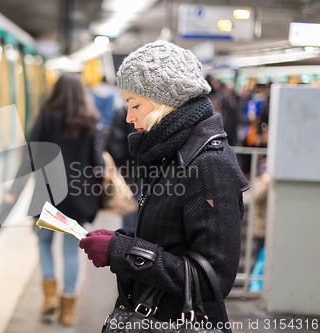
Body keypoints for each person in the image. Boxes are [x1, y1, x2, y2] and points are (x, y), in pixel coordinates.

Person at [79, 41, 249, 330]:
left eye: (135, 104)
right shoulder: (173, 151)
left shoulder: (208, 164)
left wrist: (121, 252)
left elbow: (213, 277)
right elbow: (174, 238)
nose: (129, 117)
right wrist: (122, 240)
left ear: (164, 101)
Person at [30, 72, 103, 326]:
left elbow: (34, 152)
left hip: (49, 193)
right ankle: (68, 309)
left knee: (44, 242)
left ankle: (49, 297)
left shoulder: (47, 115)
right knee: (71, 251)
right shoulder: (91, 120)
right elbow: (97, 161)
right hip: (81, 195)